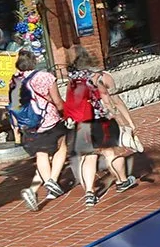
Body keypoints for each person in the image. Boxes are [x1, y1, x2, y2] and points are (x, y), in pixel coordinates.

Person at [68, 68, 139, 206]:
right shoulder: (102, 77)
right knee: (110, 153)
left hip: (82, 123)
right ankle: (122, 180)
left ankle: (89, 193)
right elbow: (112, 101)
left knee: (89, 157)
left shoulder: (75, 78)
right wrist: (126, 121)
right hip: (100, 122)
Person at [13, 53, 70, 211]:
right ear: (34, 61)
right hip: (48, 119)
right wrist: (64, 113)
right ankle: (51, 181)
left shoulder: (15, 79)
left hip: (29, 124)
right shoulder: (45, 77)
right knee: (61, 147)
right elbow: (57, 101)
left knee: (42, 154)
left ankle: (34, 189)